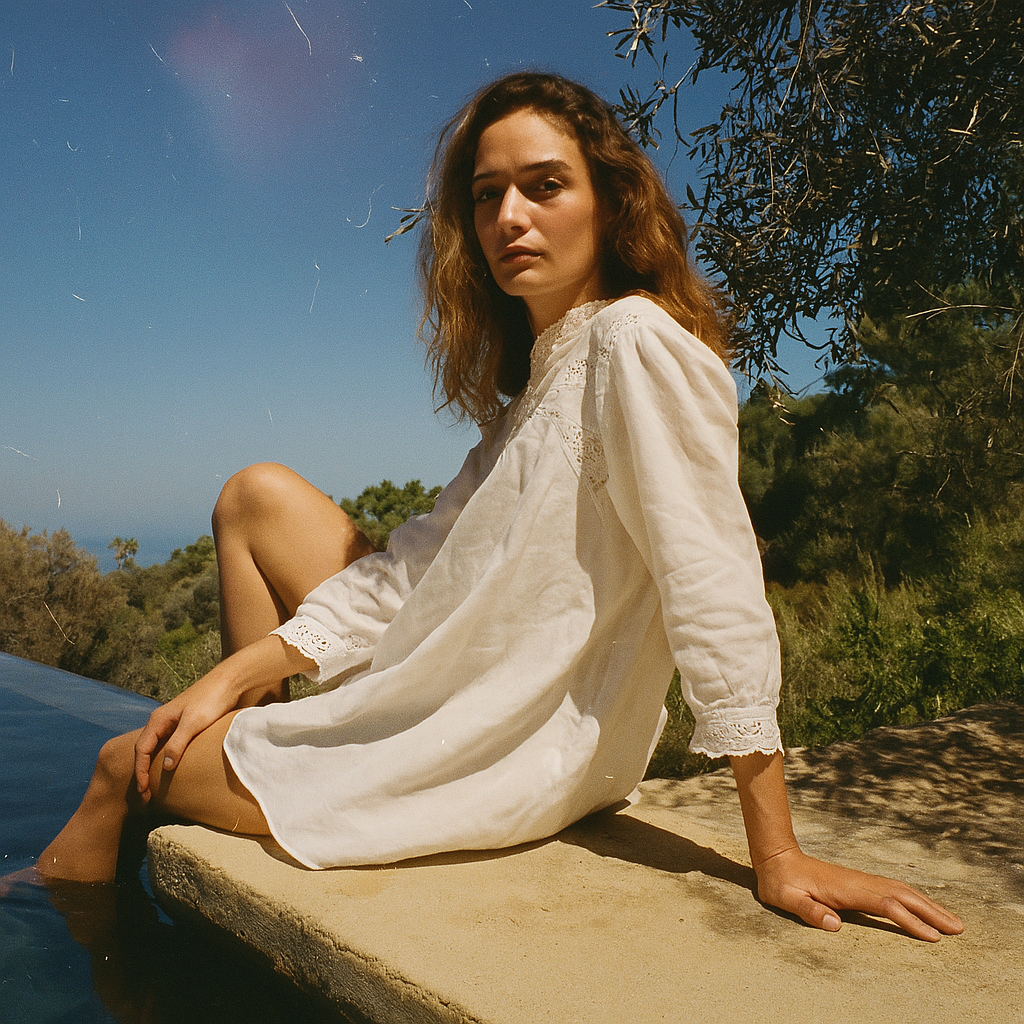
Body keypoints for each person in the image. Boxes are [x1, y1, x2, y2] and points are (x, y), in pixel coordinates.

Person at [34, 72, 962, 941]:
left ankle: (47, 935)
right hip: (471, 672)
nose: (509, 217)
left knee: (123, 769)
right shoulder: (547, 376)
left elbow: (712, 580)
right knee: (255, 496)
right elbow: (417, 569)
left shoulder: (635, 341)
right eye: (486, 195)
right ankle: (255, 738)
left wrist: (777, 851)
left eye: (544, 186)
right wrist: (228, 680)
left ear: (611, 200)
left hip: (519, 739)